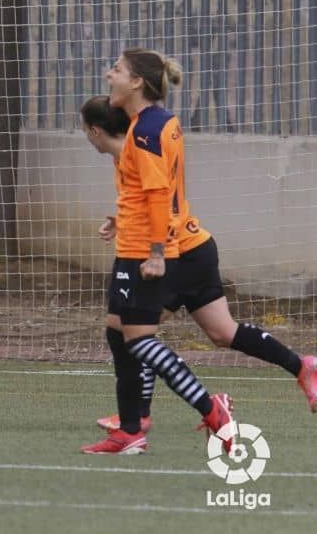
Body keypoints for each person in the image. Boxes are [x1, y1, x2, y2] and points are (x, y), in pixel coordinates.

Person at [80, 95, 317, 433]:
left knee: (131, 331)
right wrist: (122, 220)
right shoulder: (127, 154)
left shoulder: (140, 149)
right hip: (197, 248)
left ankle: (140, 416)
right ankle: (302, 366)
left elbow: (161, 202)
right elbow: (148, 201)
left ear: (96, 131)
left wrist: (155, 252)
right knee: (223, 332)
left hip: (176, 253)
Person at [80, 49, 233, 455]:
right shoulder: (148, 124)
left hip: (142, 251)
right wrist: (121, 220)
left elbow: (157, 195)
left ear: (136, 82)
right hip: (134, 244)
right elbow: (142, 192)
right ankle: (131, 428)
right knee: (119, 332)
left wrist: (157, 253)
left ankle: (209, 408)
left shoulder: (147, 130)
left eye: (116, 69)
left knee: (139, 340)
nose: (109, 74)